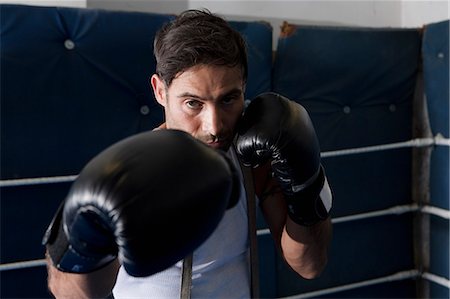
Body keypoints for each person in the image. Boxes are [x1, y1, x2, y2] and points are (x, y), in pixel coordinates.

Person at [44, 9, 333, 299]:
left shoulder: (252, 160)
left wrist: (306, 186)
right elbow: (70, 295)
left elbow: (309, 266)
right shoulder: (131, 176)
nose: (215, 126)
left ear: (244, 88)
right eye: (193, 103)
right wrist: (89, 242)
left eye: (229, 99)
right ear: (160, 91)